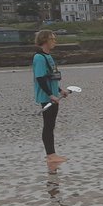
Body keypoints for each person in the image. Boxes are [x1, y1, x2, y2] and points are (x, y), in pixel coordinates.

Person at [33, 30, 67, 166]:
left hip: (54, 96)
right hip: (46, 98)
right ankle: (50, 155)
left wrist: (60, 90)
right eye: (52, 39)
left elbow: (51, 77)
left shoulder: (48, 56)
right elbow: (40, 78)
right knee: (48, 125)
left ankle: (53, 154)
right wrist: (51, 95)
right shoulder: (39, 57)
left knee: (51, 125)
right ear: (45, 40)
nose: (55, 41)